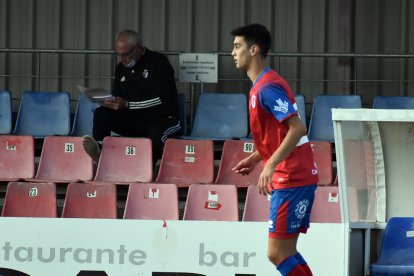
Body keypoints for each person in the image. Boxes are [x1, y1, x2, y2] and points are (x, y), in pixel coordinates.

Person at [231, 24, 319, 276]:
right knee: (286, 252)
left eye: (238, 46)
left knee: (277, 253)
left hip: (291, 175)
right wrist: (257, 156)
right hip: (295, 174)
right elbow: (280, 134)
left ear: (254, 49)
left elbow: (297, 128)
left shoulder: (266, 88)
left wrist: (269, 165)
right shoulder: (262, 85)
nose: (232, 52)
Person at [83, 29, 181, 164]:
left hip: (161, 119)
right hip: (133, 120)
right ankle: (100, 154)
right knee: (101, 113)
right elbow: (119, 97)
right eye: (119, 55)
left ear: (138, 49)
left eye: (126, 54)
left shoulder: (159, 62)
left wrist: (128, 105)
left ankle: (143, 171)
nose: (123, 59)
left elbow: (162, 99)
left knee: (155, 134)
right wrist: (111, 102)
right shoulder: (121, 68)